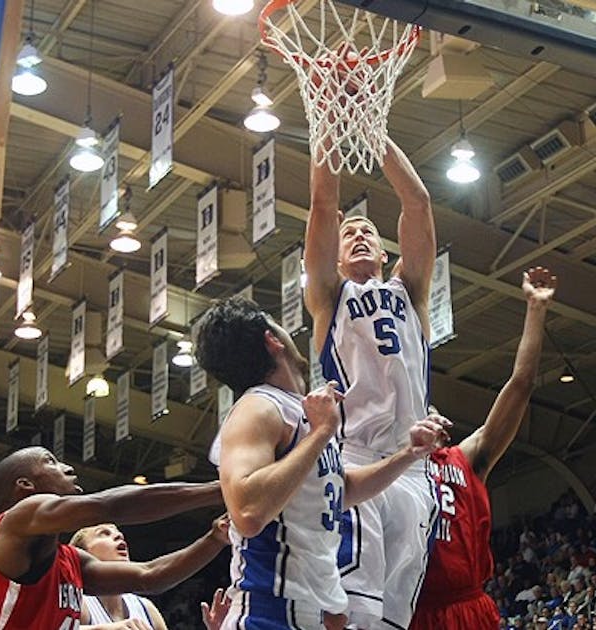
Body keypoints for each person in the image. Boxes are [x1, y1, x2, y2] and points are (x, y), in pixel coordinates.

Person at [194, 296, 449, 630]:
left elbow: (340, 490)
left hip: (311, 612)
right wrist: (323, 431)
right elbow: (248, 512)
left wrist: (407, 454)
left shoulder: (298, 410)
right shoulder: (256, 408)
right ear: (272, 340)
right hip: (268, 613)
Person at [305, 135, 438, 629]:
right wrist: (332, 129)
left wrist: (372, 133)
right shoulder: (328, 295)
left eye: (368, 232)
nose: (359, 235)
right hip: (355, 460)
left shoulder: (412, 291)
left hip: (413, 467)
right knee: (353, 609)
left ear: (385, 252)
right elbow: (324, 203)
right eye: (349, 233)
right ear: (336, 257)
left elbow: (418, 202)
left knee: (393, 617)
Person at [411, 267, 554, 630]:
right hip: (413, 609)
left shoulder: (466, 458)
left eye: (432, 410)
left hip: (468, 606)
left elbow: (521, 384)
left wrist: (536, 310)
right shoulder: (390, 465)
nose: (430, 415)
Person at [0, 447, 224, 630]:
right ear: (25, 485)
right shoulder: (16, 520)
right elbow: (111, 506)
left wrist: (215, 538)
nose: (67, 467)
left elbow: (149, 576)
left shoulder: (70, 561)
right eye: (51, 461)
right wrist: (221, 490)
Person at [70, 519, 229, 630]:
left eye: (118, 533)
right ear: (83, 553)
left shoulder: (145, 608)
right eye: (103, 533)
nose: (118, 535)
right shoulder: (79, 602)